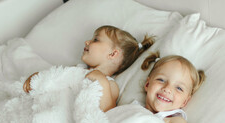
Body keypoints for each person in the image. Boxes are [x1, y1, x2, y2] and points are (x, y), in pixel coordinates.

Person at [89, 51, 206, 123]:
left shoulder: (176, 121)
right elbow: (108, 115)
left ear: (185, 101)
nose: (167, 89)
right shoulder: (133, 107)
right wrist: (101, 82)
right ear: (147, 84)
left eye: (179, 88)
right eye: (161, 80)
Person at [23, 25, 154, 111]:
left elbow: (107, 112)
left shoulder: (109, 84)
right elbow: (54, 78)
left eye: (96, 40)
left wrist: (101, 82)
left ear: (113, 54)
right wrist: (36, 79)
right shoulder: (77, 69)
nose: (87, 41)